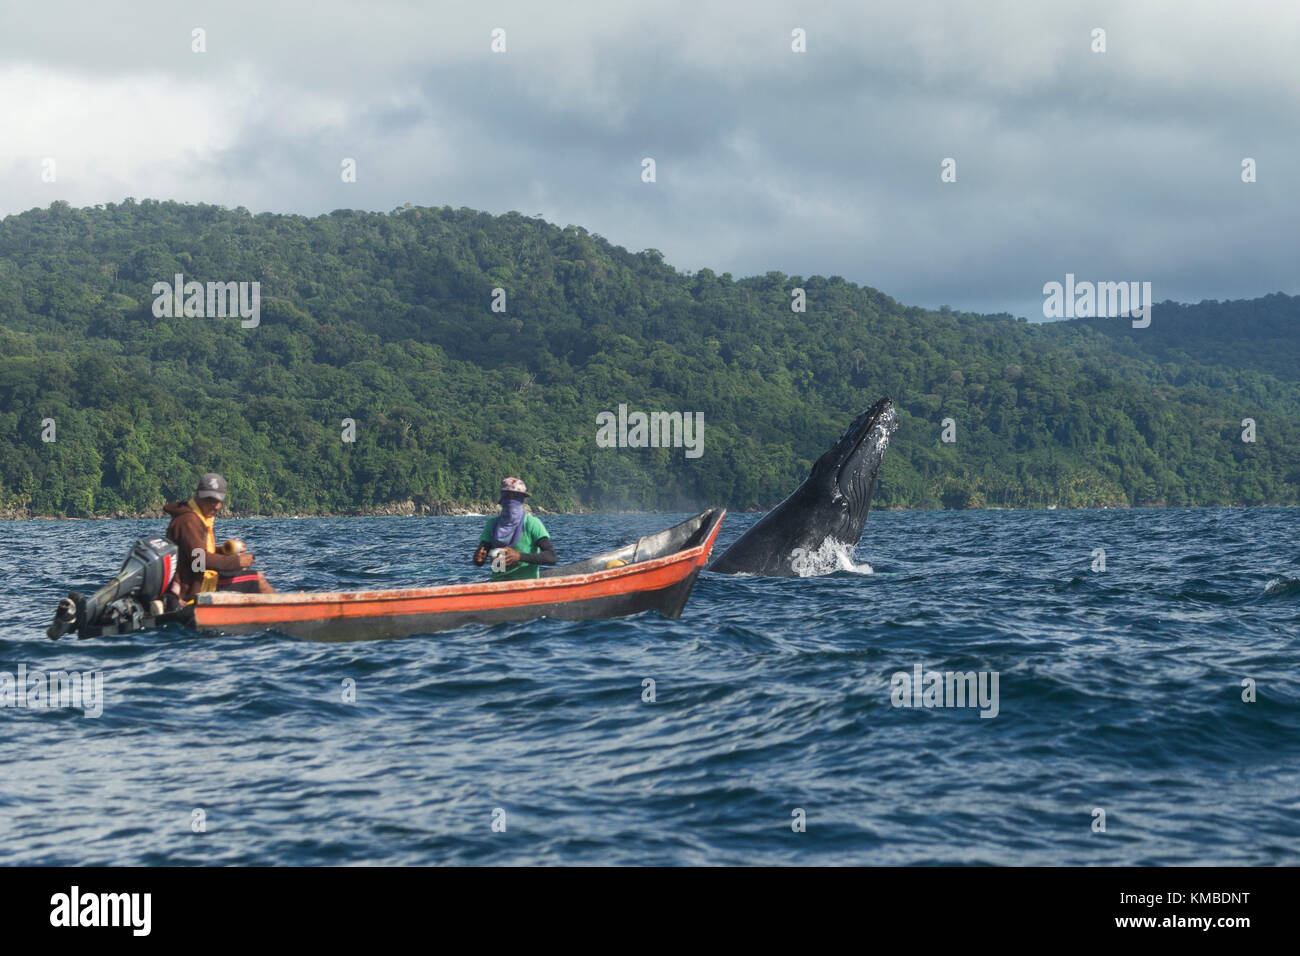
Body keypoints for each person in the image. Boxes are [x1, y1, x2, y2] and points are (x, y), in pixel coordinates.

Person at [163, 473, 275, 602]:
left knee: (244, 576)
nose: (215, 506)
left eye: (218, 501)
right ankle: (286, 614)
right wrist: (237, 562)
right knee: (257, 579)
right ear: (198, 496)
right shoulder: (189, 520)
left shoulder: (196, 517)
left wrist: (222, 551)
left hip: (199, 580)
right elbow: (199, 561)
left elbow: (194, 556)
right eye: (210, 500)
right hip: (194, 590)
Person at [473, 477, 557, 581]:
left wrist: (519, 557)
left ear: (522, 500)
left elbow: (551, 556)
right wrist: (478, 558)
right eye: (507, 496)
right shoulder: (492, 525)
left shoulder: (531, 523)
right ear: (502, 499)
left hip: (526, 585)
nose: (511, 501)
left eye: (515, 497)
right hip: (499, 584)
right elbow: (480, 559)